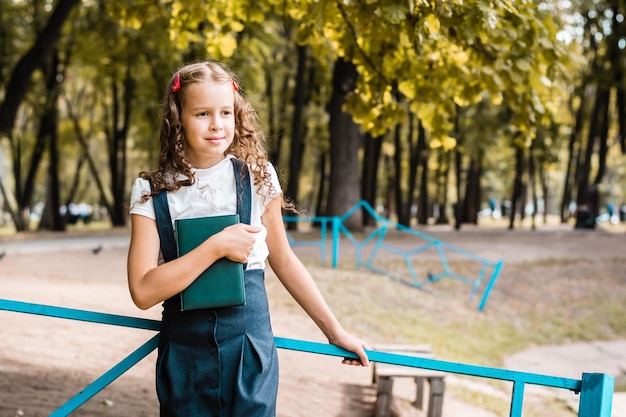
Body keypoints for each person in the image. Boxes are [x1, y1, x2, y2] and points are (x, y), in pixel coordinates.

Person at [127, 61, 369, 417]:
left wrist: (335, 332)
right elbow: (143, 291)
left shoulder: (258, 177)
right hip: (184, 357)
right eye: (202, 113)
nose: (216, 125)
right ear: (178, 118)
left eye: (226, 112)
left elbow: (284, 259)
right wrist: (216, 247)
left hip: (249, 351)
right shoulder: (151, 192)